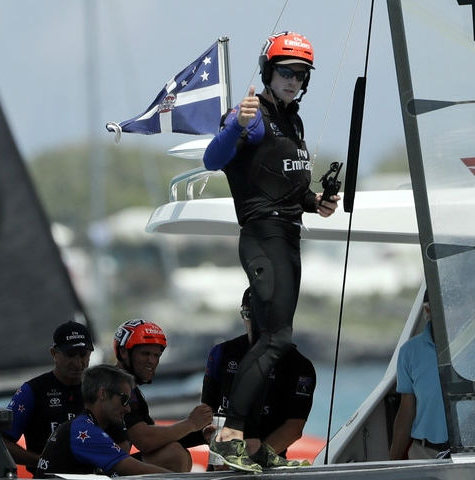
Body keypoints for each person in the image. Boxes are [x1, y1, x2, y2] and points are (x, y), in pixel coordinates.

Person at [202, 30, 339, 472]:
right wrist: (238, 126)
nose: (293, 80)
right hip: (263, 235)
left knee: (268, 341)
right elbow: (213, 159)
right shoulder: (254, 114)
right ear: (268, 71)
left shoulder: (292, 121)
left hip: (288, 235)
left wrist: (315, 202)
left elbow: (285, 181)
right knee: (278, 339)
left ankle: (258, 451)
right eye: (285, 72)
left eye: (300, 74)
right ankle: (230, 437)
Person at [202, 287, 316, 470]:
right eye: (248, 314)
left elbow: (294, 427)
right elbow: (207, 410)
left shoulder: (299, 366)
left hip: (266, 463)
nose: (256, 323)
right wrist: (211, 438)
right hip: (222, 460)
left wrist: (253, 457)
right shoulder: (222, 353)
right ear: (242, 315)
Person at [113, 319, 213, 472]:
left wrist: (199, 435)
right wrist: (191, 424)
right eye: (145, 354)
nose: (152, 361)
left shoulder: (129, 387)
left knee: (174, 451)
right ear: (123, 352)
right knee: (174, 455)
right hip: (95, 471)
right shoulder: (116, 384)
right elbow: (145, 441)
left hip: (108, 466)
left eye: (156, 355)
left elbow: (156, 441)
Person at [34, 364, 169, 477]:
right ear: (103, 394)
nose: (128, 409)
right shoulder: (84, 430)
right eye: (124, 400)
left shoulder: (81, 425)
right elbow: (129, 468)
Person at [2, 320, 95, 473]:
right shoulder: (32, 390)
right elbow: (2, 443)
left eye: (83, 354)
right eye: (70, 355)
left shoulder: (100, 389)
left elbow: (121, 437)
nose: (78, 363)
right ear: (54, 353)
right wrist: (43, 461)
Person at [388, 291, 450, 460]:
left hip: (469, 455)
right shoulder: (409, 352)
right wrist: (392, 463)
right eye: (440, 306)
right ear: (427, 311)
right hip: (424, 453)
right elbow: (407, 410)